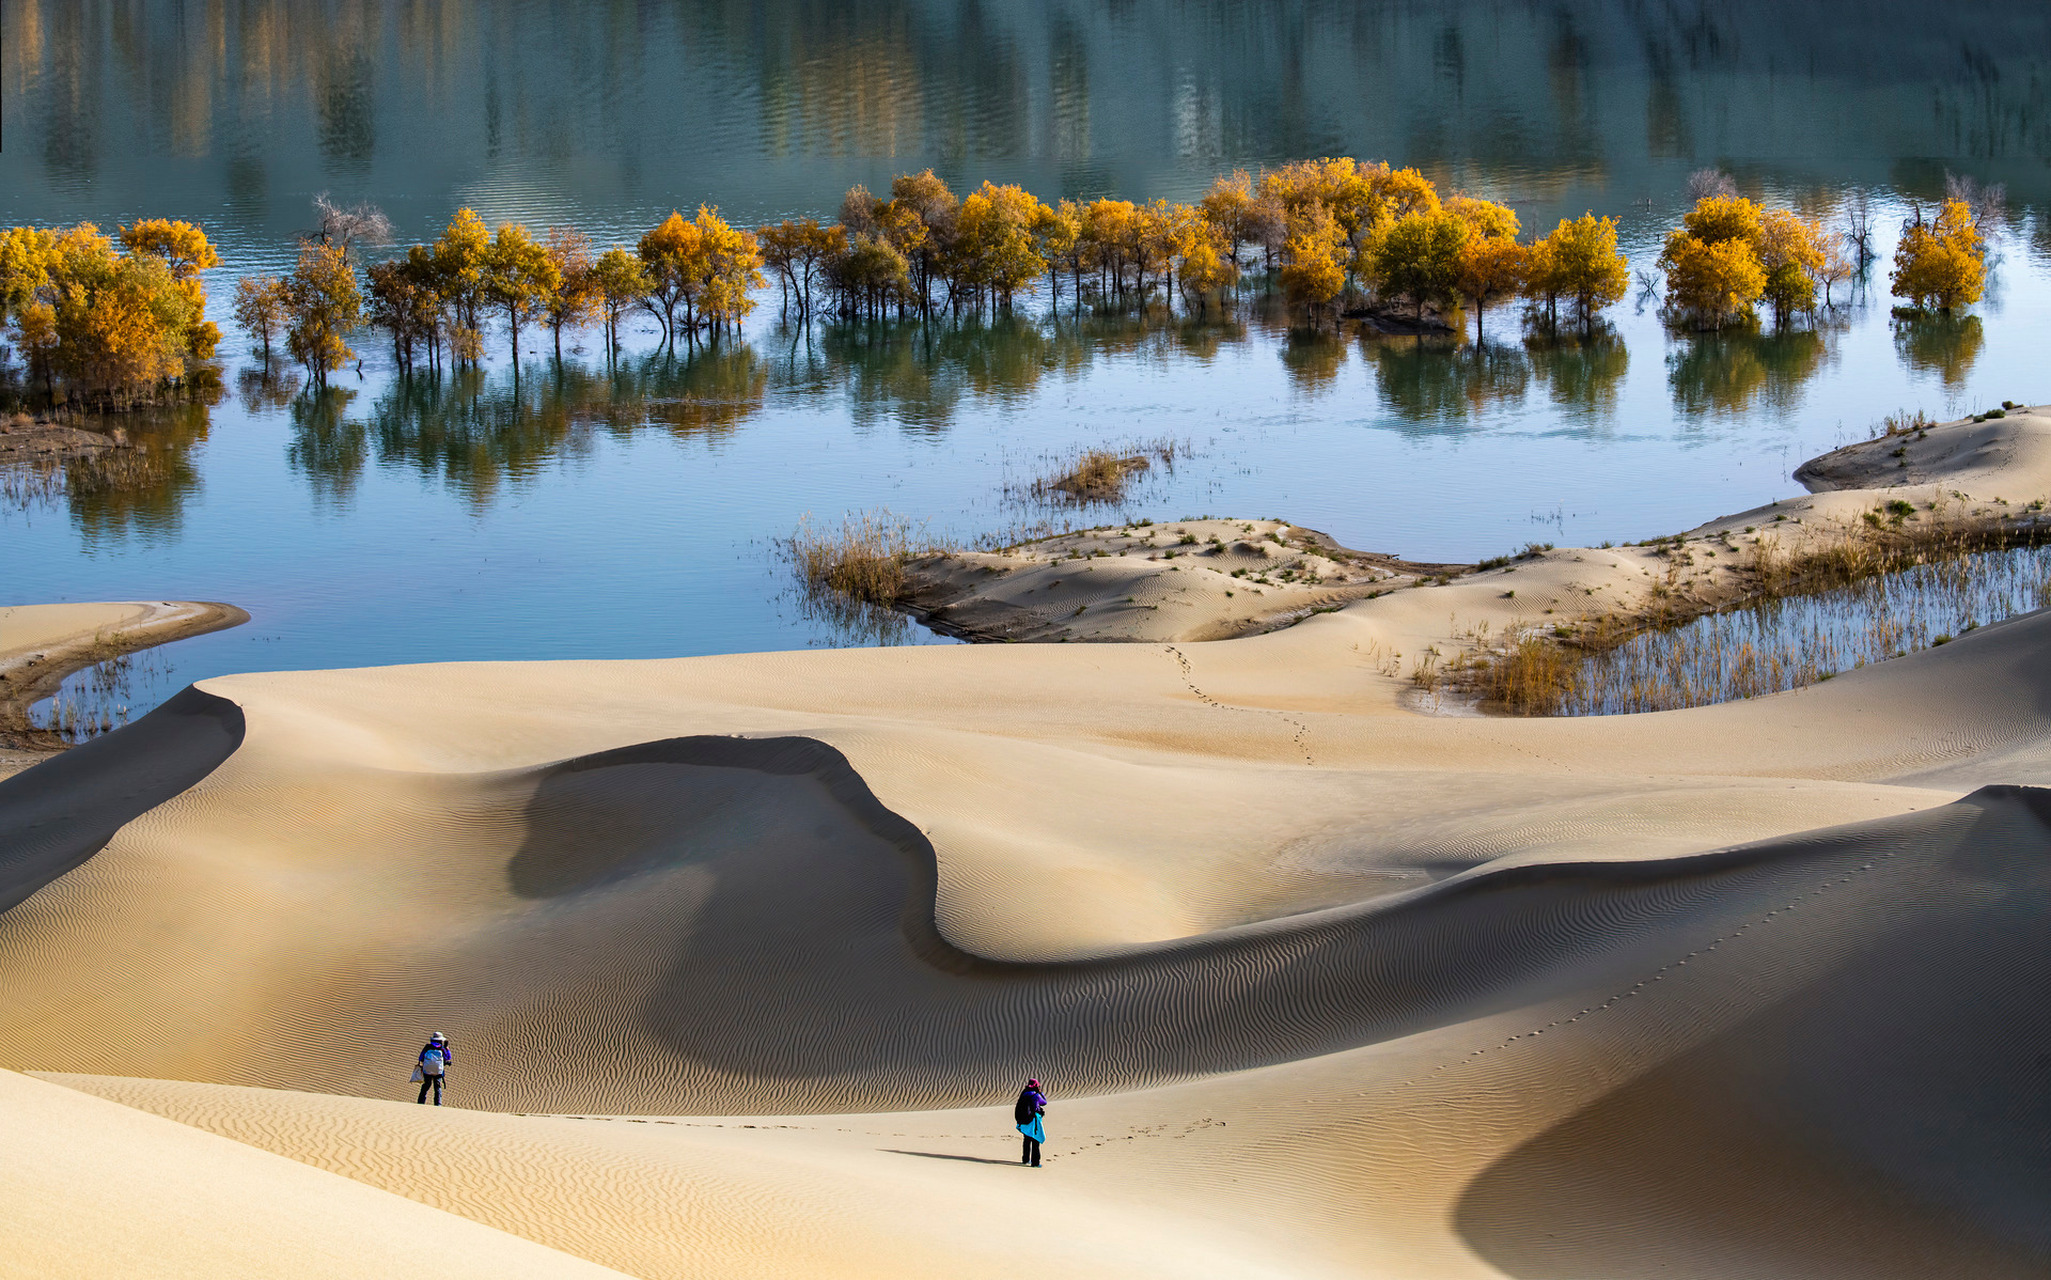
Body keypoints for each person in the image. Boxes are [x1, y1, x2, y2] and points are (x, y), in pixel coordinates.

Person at [1014, 1078, 1047, 1167]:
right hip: (1033, 1120)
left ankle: (1025, 1160)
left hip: (1024, 1120)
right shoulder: (1035, 1095)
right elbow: (1044, 1102)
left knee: (1027, 1139)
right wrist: (1040, 1092)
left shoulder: (1024, 1093)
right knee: (1036, 1140)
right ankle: (1035, 1163)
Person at [414, 1032, 452, 1105]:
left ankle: (420, 1103)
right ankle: (438, 1105)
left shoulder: (427, 1047)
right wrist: (447, 1049)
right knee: (437, 1088)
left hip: (427, 1071)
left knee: (425, 1087)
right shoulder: (442, 1048)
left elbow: (420, 1058)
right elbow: (448, 1058)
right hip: (438, 1072)